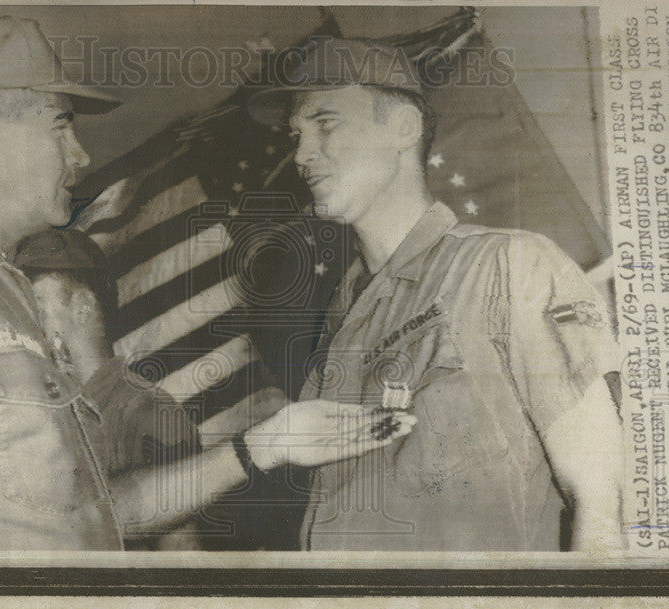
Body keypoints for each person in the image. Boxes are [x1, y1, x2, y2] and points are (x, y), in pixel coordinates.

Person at [0, 17, 416, 552]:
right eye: (59, 124)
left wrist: (264, 445)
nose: (80, 155)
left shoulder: (2, 295)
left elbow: (97, 518)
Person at [247, 37, 624, 552]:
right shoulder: (341, 319)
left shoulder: (507, 266)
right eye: (296, 135)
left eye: (325, 124)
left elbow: (600, 503)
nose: (302, 154)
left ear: (403, 129)